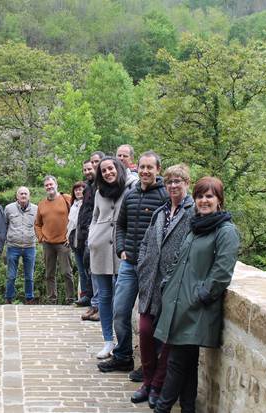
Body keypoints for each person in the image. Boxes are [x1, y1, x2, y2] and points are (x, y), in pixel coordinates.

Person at [153, 177, 240, 413]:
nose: (203, 201)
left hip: (196, 309)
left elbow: (222, 271)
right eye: (200, 196)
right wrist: (166, 283)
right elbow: (179, 261)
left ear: (219, 201)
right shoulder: (196, 227)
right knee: (187, 364)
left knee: (175, 363)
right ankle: (188, 408)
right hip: (178, 305)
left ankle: (161, 408)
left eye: (209, 196)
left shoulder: (226, 231)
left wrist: (201, 295)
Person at [98, 151, 169, 373]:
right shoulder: (131, 195)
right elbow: (121, 226)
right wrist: (121, 249)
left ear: (158, 170)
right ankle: (123, 356)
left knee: (152, 317)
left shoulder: (165, 196)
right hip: (129, 264)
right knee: (120, 311)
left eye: (150, 167)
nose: (146, 171)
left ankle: (152, 364)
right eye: (143, 167)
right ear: (136, 168)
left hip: (153, 267)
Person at [132, 164, 194, 409]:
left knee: (168, 340)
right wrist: (141, 266)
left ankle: (158, 385)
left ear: (187, 183)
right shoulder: (161, 212)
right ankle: (147, 382)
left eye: (178, 181)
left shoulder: (192, 212)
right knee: (146, 333)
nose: (173, 186)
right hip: (150, 283)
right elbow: (147, 242)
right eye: (169, 182)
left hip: (174, 286)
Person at [87, 156, 131, 359]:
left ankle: (124, 345)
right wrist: (91, 237)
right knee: (104, 297)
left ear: (118, 168)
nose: (107, 173)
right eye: (103, 171)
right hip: (100, 249)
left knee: (121, 300)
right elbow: (95, 217)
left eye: (110, 168)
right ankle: (107, 341)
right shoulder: (99, 193)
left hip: (123, 249)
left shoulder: (131, 187)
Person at [35, 175, 75, 305]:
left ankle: (70, 300)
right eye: (46, 185)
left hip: (64, 242)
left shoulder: (67, 199)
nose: (49, 187)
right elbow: (37, 224)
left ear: (56, 185)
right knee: (49, 274)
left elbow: (76, 217)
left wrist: (71, 236)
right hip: (48, 244)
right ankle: (52, 300)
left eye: (51, 184)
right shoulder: (41, 204)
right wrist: (41, 237)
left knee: (67, 273)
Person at [78, 152, 103, 321]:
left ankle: (100, 307)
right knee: (90, 270)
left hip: (98, 233)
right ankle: (94, 305)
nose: (91, 168)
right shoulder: (88, 186)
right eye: (87, 167)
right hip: (87, 233)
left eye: (95, 163)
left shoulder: (102, 185)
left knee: (98, 271)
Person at [3, 186, 38, 304]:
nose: (23, 196)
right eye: (21, 194)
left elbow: (39, 225)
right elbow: (4, 225)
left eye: (25, 194)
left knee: (29, 275)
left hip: (30, 246)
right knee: (11, 275)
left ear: (29, 196)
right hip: (13, 246)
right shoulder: (8, 208)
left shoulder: (36, 209)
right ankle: (9, 298)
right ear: (17, 196)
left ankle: (29, 298)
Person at [66, 181, 88, 308]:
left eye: (81, 189)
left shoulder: (87, 205)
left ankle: (88, 295)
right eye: (76, 190)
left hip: (84, 241)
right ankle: (84, 294)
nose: (79, 192)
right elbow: (71, 225)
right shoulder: (73, 206)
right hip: (75, 241)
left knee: (87, 270)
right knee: (81, 270)